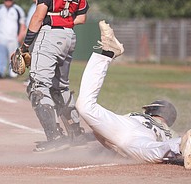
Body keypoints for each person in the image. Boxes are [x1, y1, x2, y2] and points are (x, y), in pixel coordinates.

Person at [75, 20, 191, 169]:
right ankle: (182, 145)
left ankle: (108, 53)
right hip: (137, 138)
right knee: (157, 151)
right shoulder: (170, 132)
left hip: (124, 126)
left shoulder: (138, 116)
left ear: (151, 110)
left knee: (85, 106)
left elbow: (99, 133)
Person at [16, 0, 90, 152]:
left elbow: (39, 15)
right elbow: (82, 17)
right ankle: (76, 133)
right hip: (69, 35)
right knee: (60, 87)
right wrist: (64, 21)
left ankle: (55, 137)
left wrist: (25, 45)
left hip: (50, 36)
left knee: (38, 87)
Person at [0, 0, 26, 80]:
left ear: (12, 1)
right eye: (6, 0)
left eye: (9, 0)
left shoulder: (17, 9)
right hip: (1, 36)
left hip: (13, 37)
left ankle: (13, 72)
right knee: (0, 54)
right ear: (4, 1)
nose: (8, 2)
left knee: (13, 55)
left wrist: (21, 34)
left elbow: (22, 23)